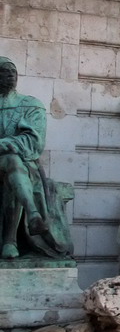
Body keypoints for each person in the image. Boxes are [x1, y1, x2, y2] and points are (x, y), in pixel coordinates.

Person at [0, 58, 70, 259]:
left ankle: (16, 235)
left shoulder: (30, 105)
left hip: (17, 163)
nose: (10, 76)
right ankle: (29, 217)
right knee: (14, 162)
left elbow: (33, 143)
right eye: (3, 72)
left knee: (13, 161)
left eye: (13, 72)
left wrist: (4, 145)